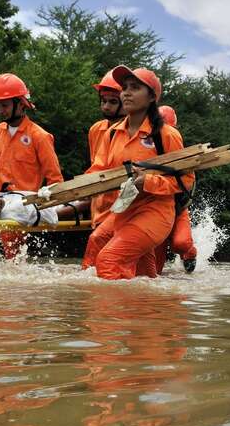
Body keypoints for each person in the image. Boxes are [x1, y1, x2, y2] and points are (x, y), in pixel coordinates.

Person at [85, 65, 194, 280]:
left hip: (155, 212)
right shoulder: (111, 134)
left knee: (108, 260)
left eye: (134, 88)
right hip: (123, 210)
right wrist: (73, 189)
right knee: (144, 277)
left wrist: (149, 182)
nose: (126, 92)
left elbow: (186, 181)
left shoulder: (166, 134)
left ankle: (109, 314)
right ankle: (148, 312)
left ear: (152, 97)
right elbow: (98, 170)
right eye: (124, 87)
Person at [0, 73, 64, 259]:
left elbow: (55, 179)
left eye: (5, 105)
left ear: (21, 104)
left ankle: (12, 267)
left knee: (12, 244)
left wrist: (47, 201)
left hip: (24, 199)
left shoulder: (39, 136)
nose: (0, 110)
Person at [80, 70, 126, 268]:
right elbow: (95, 167)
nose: (106, 106)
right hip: (100, 207)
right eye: (103, 100)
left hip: (126, 206)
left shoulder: (136, 131)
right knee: (97, 264)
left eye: (112, 101)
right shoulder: (96, 130)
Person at [153, 105, 198, 274]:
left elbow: (187, 189)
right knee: (154, 271)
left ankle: (190, 253)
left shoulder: (184, 162)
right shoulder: (147, 150)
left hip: (177, 211)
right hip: (154, 211)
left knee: (182, 243)